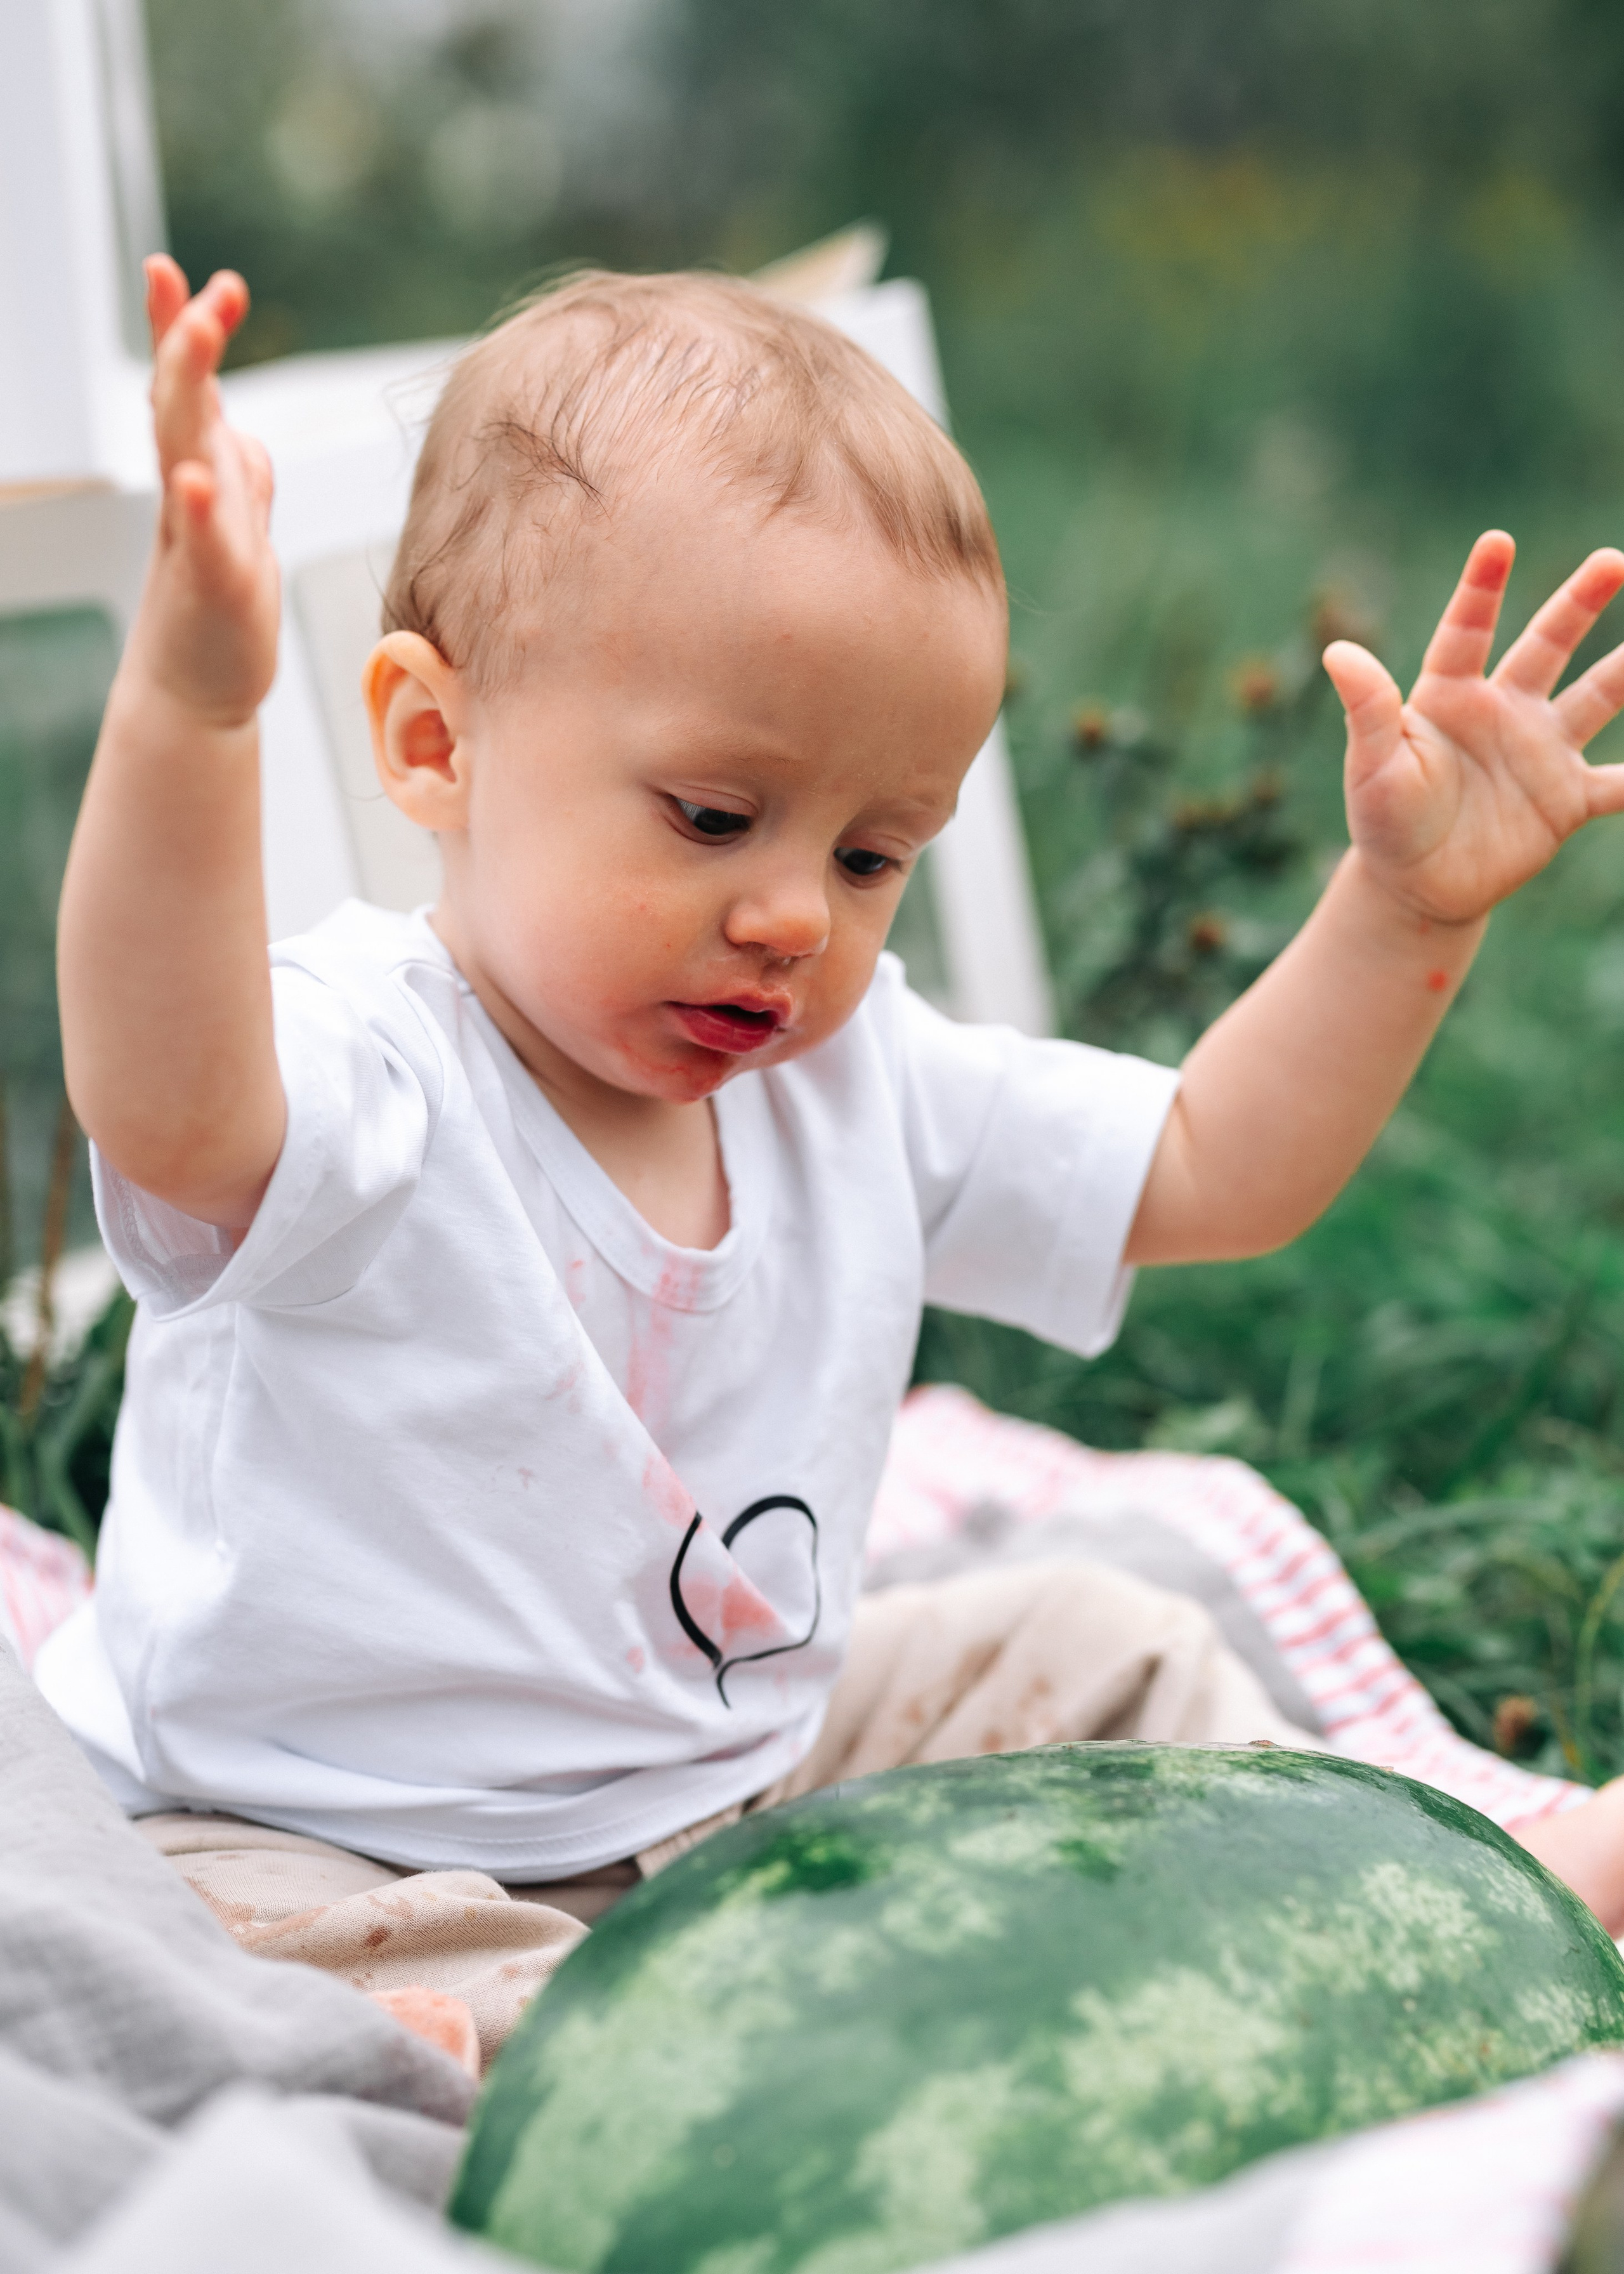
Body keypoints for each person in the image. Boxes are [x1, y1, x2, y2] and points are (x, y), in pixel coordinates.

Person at [33, 253, 1624, 2061]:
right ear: (431, 739)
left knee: (1109, 1639)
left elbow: (1209, 1166)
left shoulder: (850, 1080)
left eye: (876, 856)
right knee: (347, 2016)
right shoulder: (366, 1074)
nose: (793, 914)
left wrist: (1399, 911)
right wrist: (193, 710)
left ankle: (1457, 1895)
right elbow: (160, 1093)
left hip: (742, 1779)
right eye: (715, 819)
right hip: (332, 1838)